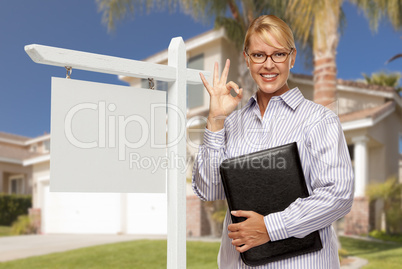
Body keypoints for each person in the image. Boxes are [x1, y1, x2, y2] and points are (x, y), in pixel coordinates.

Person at [192, 14, 354, 268]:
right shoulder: (230, 124)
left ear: (292, 58)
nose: (268, 64)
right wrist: (215, 120)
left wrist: (270, 227)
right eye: (258, 55)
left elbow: (338, 195)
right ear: (247, 59)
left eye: (278, 54)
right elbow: (210, 190)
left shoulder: (319, 119)